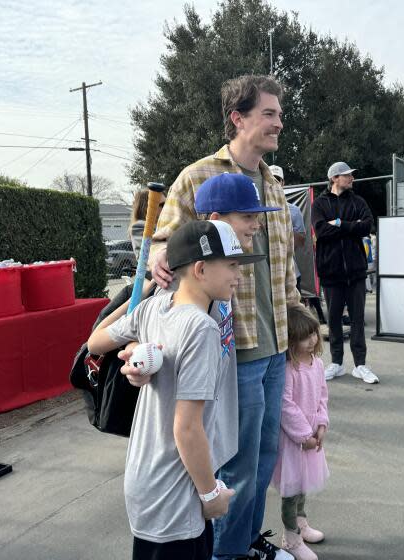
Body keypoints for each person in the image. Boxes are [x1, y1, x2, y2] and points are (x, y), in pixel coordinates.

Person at [149, 74, 301, 560]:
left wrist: (298, 323)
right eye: (269, 114)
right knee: (234, 464)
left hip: (276, 343)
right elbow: (161, 249)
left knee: (263, 459)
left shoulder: (275, 184)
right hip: (231, 349)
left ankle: (246, 542)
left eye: (279, 114)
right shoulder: (197, 177)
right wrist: (158, 257)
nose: (279, 122)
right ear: (238, 118)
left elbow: (285, 263)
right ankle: (224, 554)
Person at [87, 220, 265, 559]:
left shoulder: (155, 307)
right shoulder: (202, 328)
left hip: (147, 480)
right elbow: (186, 428)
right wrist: (211, 496)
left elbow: (95, 340)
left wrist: (146, 293)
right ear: (200, 269)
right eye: (231, 265)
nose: (238, 275)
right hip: (177, 491)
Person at [312, 161, 378, 384]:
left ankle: (360, 365)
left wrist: (340, 223)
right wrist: (351, 226)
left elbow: (367, 226)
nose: (352, 178)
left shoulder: (358, 201)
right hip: (331, 272)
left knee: (358, 319)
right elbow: (320, 230)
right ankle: (337, 363)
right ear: (334, 178)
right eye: (347, 175)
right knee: (333, 319)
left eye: (351, 175)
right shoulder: (319, 204)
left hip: (356, 272)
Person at [271, 306, 329, 560]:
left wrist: (322, 424)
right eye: (305, 337)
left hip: (312, 435)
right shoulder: (288, 367)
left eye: (314, 334)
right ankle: (291, 537)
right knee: (291, 491)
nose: (312, 340)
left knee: (303, 485)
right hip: (293, 440)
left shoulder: (317, 363)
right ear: (291, 340)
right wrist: (304, 435)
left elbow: (323, 395)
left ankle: (301, 524)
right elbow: (285, 404)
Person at [271, 165, 307, 293]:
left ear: (283, 183)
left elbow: (301, 241)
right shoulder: (257, 209)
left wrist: (280, 229)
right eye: (271, 179)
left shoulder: (294, 211)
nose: (275, 183)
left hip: (290, 270)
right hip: (267, 273)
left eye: (277, 180)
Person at [129, 184, 167, 259]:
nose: (167, 207)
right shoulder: (138, 227)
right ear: (148, 207)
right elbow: (156, 250)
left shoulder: (165, 224)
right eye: (162, 205)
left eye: (167, 203)